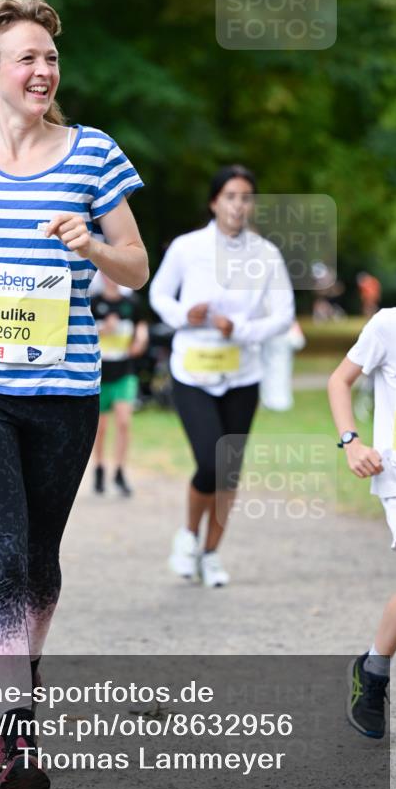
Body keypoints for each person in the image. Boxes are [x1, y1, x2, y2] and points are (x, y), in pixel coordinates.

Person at [0, 0, 147, 789]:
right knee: (4, 552)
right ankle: (15, 724)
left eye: (51, 57)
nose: (44, 70)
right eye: (27, 57)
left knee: (41, 560)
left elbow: (136, 266)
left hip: (65, 388)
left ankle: (20, 671)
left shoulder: (92, 154)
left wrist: (93, 245)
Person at [149, 165, 294, 587]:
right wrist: (183, 315)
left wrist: (242, 330)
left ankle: (211, 553)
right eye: (230, 196)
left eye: (246, 197)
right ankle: (189, 537)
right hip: (192, 370)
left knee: (229, 472)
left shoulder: (266, 254)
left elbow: (284, 315)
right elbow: (159, 294)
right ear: (215, 202)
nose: (238, 204)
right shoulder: (186, 247)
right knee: (210, 462)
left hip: (242, 373)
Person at [327, 235, 396, 739]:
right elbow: (340, 381)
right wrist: (352, 442)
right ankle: (374, 676)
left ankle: (373, 667)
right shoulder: (391, 325)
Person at [90, 273, 149, 495]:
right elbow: (81, 332)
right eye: (108, 275)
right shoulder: (93, 302)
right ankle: (99, 468)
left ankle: (120, 471)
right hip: (99, 372)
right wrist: (103, 329)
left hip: (125, 372)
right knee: (101, 427)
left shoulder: (131, 303)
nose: (112, 279)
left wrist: (141, 339)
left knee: (124, 422)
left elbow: (141, 327)